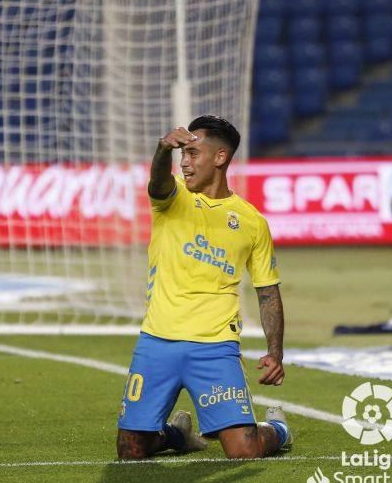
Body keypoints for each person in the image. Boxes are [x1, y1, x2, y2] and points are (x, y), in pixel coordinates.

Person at [117, 115, 292, 460]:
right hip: (158, 340)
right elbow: (157, 182)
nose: (185, 162)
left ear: (220, 157)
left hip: (215, 347)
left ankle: (278, 430)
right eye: (182, 154)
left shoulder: (252, 222)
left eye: (193, 153)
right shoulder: (173, 198)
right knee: (130, 451)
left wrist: (275, 352)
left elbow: (268, 291)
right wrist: (161, 149)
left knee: (245, 452)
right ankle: (177, 437)